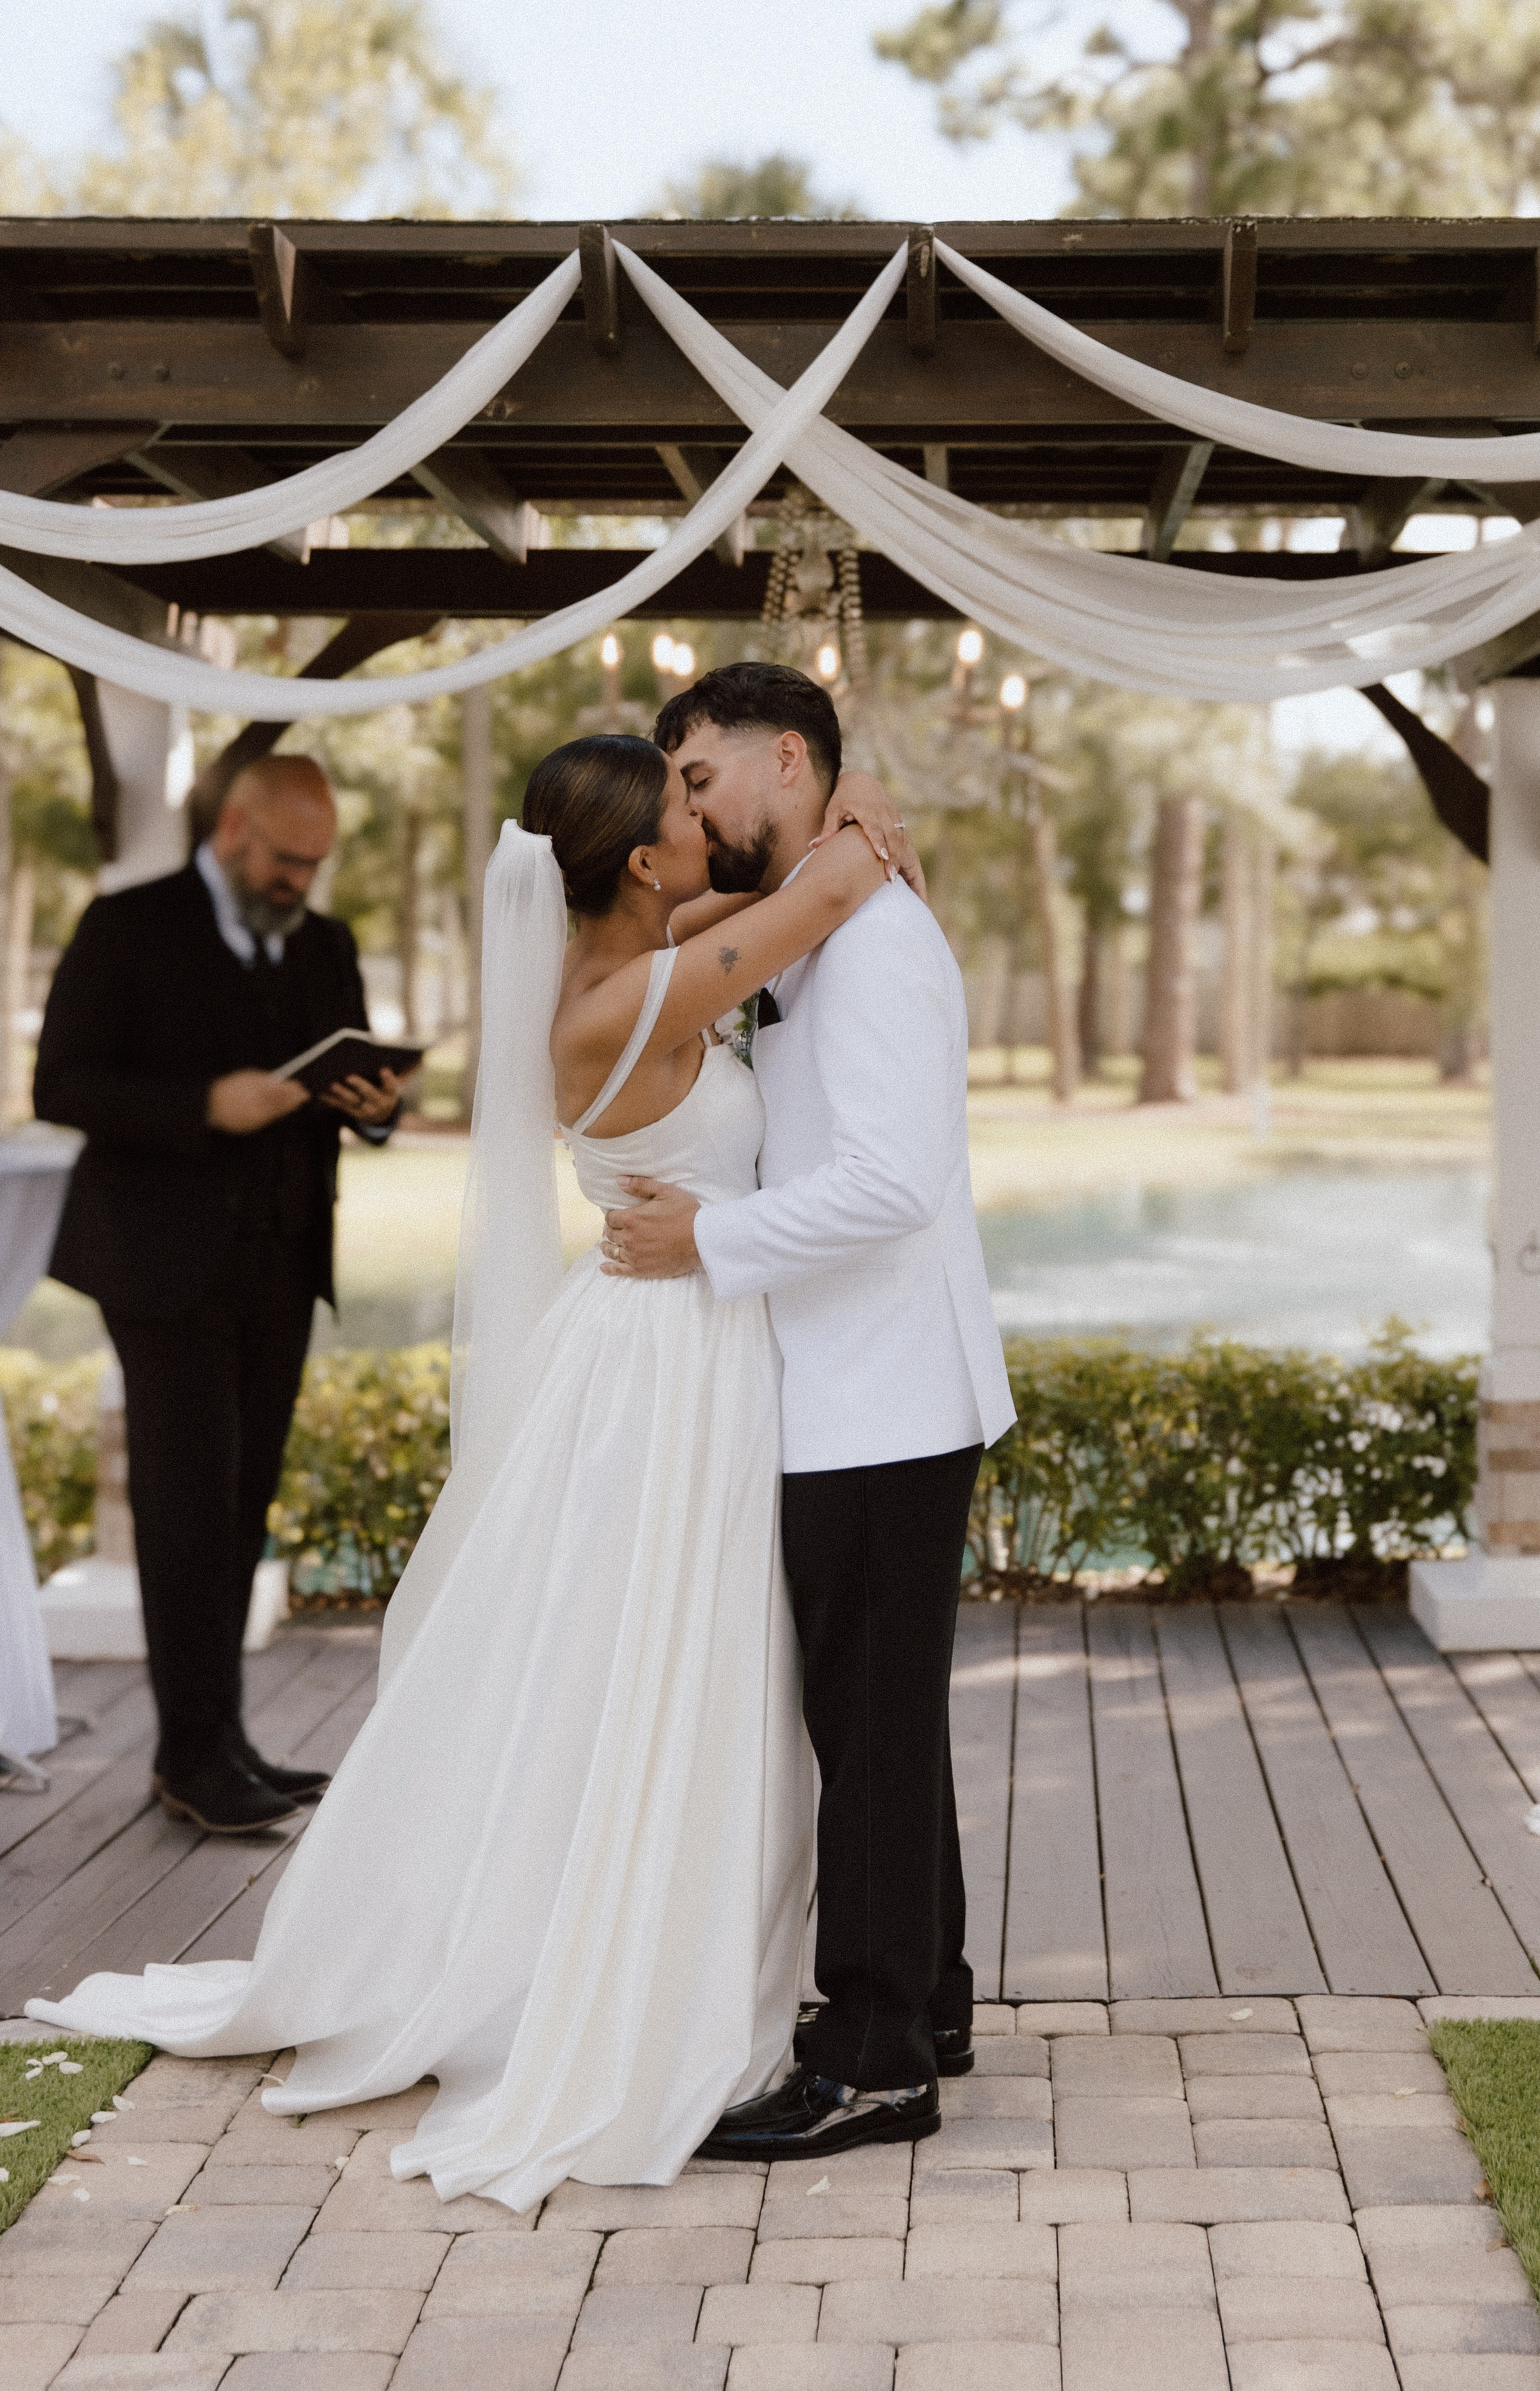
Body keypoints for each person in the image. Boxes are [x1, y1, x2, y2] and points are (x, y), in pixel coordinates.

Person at [27, 736, 914, 2212]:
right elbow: (818, 901)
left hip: (662, 1336)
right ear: (642, 860)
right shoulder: (629, 997)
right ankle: (626, 1962)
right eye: (685, 806)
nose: (703, 821)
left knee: (635, 1655)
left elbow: (754, 914)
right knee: (659, 1655)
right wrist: (856, 809)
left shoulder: (631, 958)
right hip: (669, 1361)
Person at [603, 662, 1015, 2165]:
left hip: (882, 1400)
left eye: (703, 780)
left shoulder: (880, 944)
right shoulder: (817, 922)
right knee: (878, 1726)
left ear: (791, 759)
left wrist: (701, 1243)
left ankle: (872, 2055)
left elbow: (892, 1182)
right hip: (845, 1392)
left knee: (869, 1729)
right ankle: (936, 2000)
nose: (696, 813)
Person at [33, 755, 406, 1836]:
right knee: (185, 1509)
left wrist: (376, 1106)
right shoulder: (126, 925)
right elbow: (62, 1083)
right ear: (235, 829)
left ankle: (224, 1738)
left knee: (243, 1503)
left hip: (284, 1264)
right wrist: (206, 1106)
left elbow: (351, 1092)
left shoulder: (325, 943)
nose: (300, 880)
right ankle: (191, 1757)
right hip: (159, 1267)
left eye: (315, 864)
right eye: (287, 860)